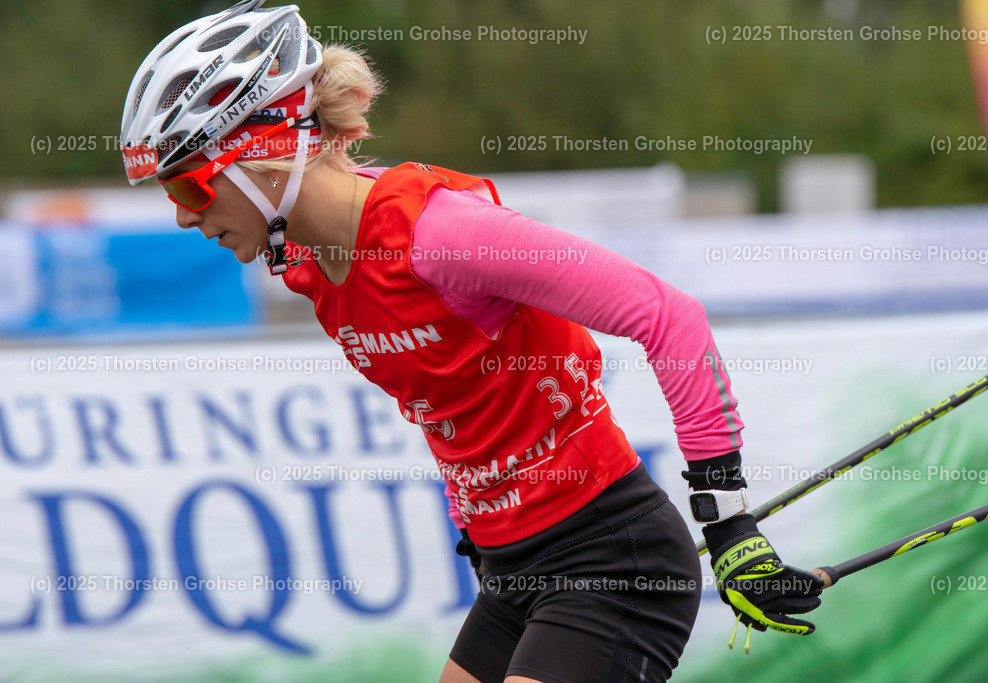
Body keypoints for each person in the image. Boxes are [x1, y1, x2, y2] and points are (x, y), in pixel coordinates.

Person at [120, 2, 825, 681]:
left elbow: (669, 316)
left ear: (265, 155)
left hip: (610, 557)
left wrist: (729, 528)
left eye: (190, 185)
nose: (184, 218)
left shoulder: (441, 236)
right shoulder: (306, 262)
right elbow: (451, 396)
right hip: (514, 570)